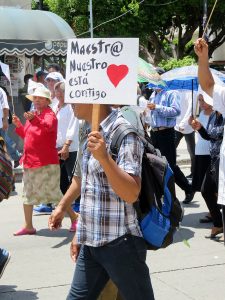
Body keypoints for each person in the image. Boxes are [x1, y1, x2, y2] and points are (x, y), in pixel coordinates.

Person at [49, 104, 155, 300]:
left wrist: (105, 158)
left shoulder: (123, 132)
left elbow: (131, 193)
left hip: (121, 243)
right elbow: (89, 188)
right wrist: (79, 233)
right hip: (92, 242)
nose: (71, 103)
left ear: (94, 97)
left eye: (76, 98)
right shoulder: (88, 130)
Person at [12, 86, 62, 236]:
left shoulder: (49, 114)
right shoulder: (34, 114)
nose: (37, 100)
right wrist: (19, 125)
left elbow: (48, 127)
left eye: (40, 98)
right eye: (35, 98)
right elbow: (27, 135)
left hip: (45, 161)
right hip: (30, 160)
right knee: (27, 194)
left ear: (47, 101)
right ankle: (28, 225)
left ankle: (74, 218)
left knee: (55, 194)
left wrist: (34, 120)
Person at [195, 38, 225, 240]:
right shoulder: (217, 111)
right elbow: (207, 84)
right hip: (217, 160)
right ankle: (218, 223)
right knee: (207, 190)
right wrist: (203, 58)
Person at [146, 88, 194, 203]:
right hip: (154, 132)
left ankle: (186, 189)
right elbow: (152, 113)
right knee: (157, 164)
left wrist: (156, 107)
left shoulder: (171, 93)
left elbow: (176, 111)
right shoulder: (153, 94)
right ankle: (165, 195)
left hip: (166, 132)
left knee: (169, 165)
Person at [34, 71, 64, 214]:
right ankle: (49, 204)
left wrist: (67, 143)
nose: (50, 83)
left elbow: (49, 124)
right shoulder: (44, 102)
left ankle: (66, 208)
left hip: (61, 143)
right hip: (49, 144)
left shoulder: (61, 100)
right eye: (48, 81)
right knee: (50, 178)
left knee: (57, 178)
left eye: (53, 81)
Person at [191, 109, 224, 238]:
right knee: (206, 190)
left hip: (223, 159)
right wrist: (200, 128)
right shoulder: (213, 115)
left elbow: (219, 133)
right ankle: (219, 222)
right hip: (214, 158)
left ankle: (219, 223)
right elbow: (209, 135)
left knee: (221, 193)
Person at [53, 81, 80, 231]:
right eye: (56, 92)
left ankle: (76, 216)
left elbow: (73, 125)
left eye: (61, 92)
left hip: (71, 148)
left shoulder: (72, 106)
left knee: (73, 181)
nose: (58, 95)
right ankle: (70, 214)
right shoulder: (57, 106)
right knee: (61, 183)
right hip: (59, 148)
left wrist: (66, 145)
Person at [175, 90, 196, 179]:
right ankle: (171, 170)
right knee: (171, 149)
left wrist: (183, 124)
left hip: (188, 127)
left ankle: (194, 173)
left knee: (192, 151)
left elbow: (191, 110)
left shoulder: (192, 92)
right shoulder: (176, 91)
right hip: (176, 125)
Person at [0, 86, 21, 168]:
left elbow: (5, 106)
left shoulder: (0, 90)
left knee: (4, 141)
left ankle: (17, 157)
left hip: (1, 123)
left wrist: (5, 120)